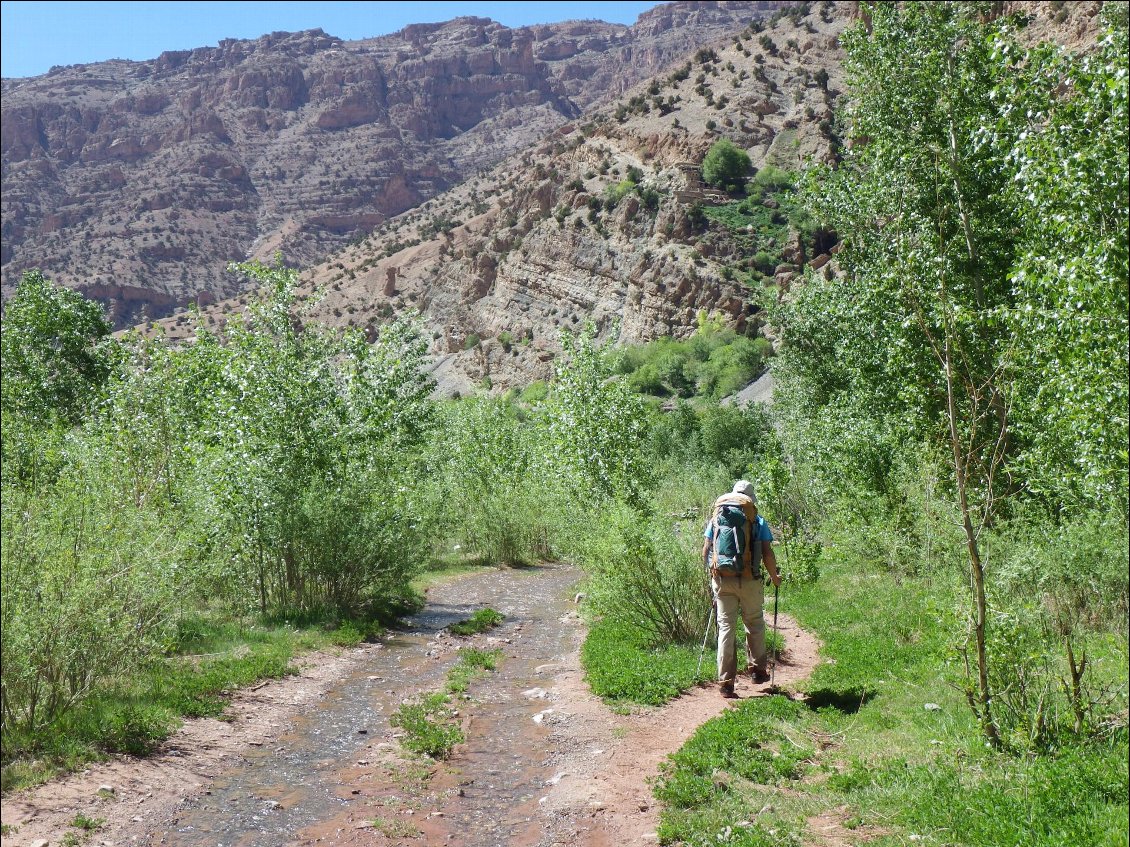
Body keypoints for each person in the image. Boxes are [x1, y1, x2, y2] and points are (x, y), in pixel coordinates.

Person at [702, 479, 782, 698]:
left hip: (722, 580)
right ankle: (757, 671)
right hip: (749, 580)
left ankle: (725, 683)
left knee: (726, 628)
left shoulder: (718, 516)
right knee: (754, 622)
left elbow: (706, 549)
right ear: (750, 499)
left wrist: (713, 573)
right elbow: (767, 553)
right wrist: (775, 577)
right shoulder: (757, 519)